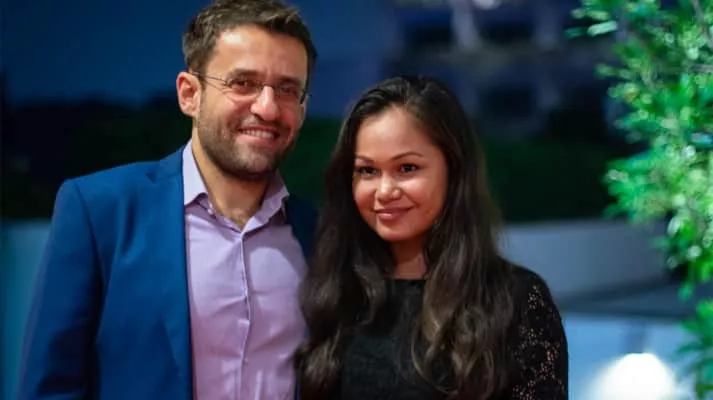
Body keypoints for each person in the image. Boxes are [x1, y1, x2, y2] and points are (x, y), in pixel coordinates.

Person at [19, 1, 317, 399]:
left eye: (287, 89)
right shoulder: (100, 211)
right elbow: (49, 389)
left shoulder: (320, 236)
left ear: (303, 107)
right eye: (243, 83)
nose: (267, 107)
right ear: (189, 94)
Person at [295, 75, 569, 399]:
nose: (384, 191)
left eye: (407, 168)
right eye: (367, 171)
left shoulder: (516, 302)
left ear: (454, 171)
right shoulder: (336, 293)